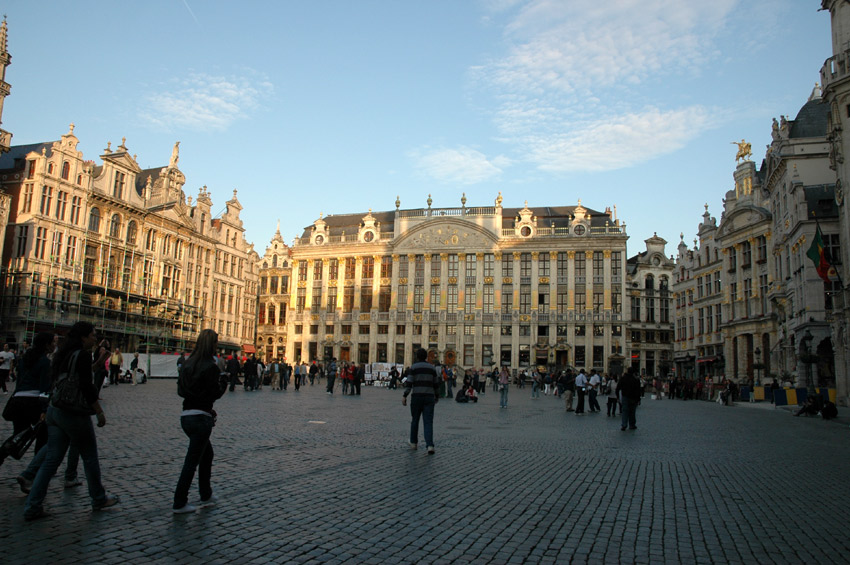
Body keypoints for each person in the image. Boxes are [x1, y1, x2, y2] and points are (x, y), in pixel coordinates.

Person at [23, 322, 120, 521]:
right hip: (73, 412)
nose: (95, 339)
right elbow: (85, 384)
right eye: (93, 336)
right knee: (90, 456)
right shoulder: (82, 354)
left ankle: (33, 505)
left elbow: (76, 375)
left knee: (51, 461)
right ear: (83, 337)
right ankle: (99, 498)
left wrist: (99, 361)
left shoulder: (64, 354)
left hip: (55, 409)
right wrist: (99, 411)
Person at [173, 329, 228, 514]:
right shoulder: (210, 367)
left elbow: (180, 390)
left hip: (186, 416)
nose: (216, 347)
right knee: (192, 461)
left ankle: (206, 494)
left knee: (207, 454)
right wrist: (223, 384)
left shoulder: (188, 364)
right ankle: (180, 501)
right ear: (211, 345)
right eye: (215, 343)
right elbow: (214, 394)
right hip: (201, 418)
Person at [402, 348, 440, 454]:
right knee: (428, 422)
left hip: (417, 397)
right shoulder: (431, 368)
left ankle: (414, 443)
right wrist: (437, 396)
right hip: (429, 397)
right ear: (426, 357)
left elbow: (409, 383)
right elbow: (436, 384)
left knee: (415, 420)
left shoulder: (413, 368)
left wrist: (405, 395)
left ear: (417, 357)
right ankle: (430, 445)